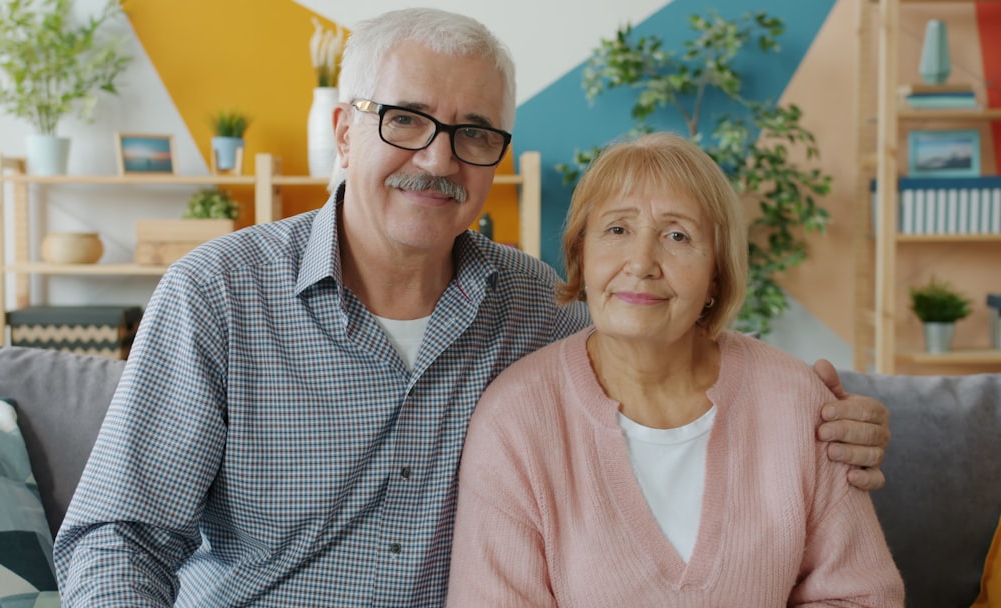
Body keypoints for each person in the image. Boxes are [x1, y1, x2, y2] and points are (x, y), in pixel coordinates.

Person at [54, 8, 892, 607]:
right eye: (406, 120)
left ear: (496, 158)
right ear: (344, 132)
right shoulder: (219, 297)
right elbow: (116, 539)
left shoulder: (532, 304)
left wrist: (818, 413)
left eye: (473, 133)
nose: (438, 158)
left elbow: (655, 331)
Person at [445, 133, 904, 606]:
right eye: (618, 230)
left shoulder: (797, 401)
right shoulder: (516, 419)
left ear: (716, 275)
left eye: (677, 236)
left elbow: (862, 596)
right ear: (582, 256)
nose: (642, 263)